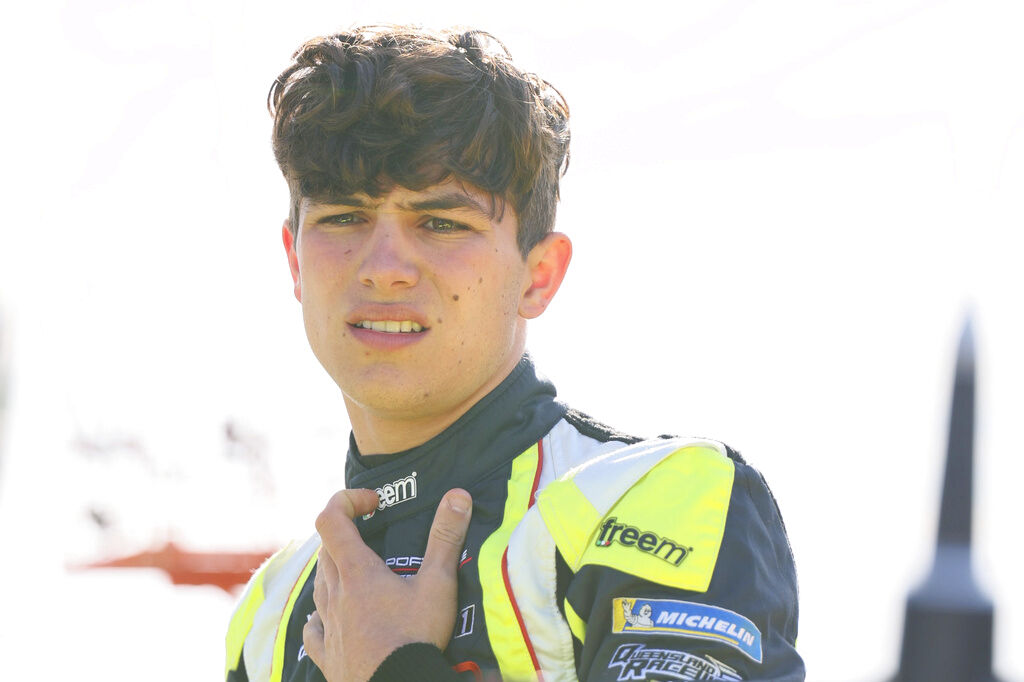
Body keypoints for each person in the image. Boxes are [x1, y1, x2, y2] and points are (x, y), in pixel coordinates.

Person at [225, 24, 804, 682]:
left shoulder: (656, 499)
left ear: (539, 275)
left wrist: (393, 668)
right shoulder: (270, 614)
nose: (384, 267)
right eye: (343, 218)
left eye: (442, 223)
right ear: (294, 261)